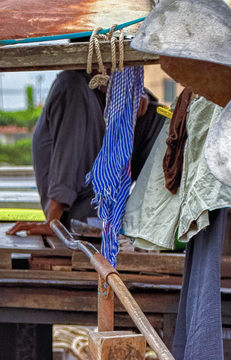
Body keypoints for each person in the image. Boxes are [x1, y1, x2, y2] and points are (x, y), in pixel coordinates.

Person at [9, 71, 165, 237]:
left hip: (111, 206)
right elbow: (67, 157)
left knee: (159, 115)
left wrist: (137, 92)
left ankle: (154, 220)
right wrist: (53, 222)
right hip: (77, 214)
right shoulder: (73, 87)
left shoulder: (105, 90)